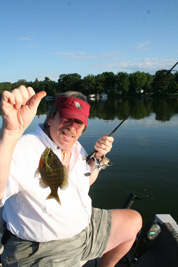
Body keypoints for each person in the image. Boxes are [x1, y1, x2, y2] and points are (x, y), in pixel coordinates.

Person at [0, 85, 142, 267]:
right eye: (66, 118)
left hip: (84, 230)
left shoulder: (75, 148)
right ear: (51, 118)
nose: (72, 127)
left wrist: (98, 159)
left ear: (83, 128)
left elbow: (85, 181)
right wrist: (10, 134)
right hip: (43, 250)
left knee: (133, 221)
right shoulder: (24, 148)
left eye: (79, 122)